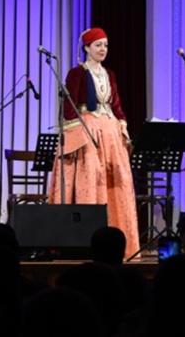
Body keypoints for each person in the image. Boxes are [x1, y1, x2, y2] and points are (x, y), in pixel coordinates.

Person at [48, 27, 140, 258]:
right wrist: (77, 133)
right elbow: (69, 106)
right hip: (87, 129)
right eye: (98, 45)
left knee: (116, 182)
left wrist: (122, 124)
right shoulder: (77, 73)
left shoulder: (110, 74)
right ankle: (86, 241)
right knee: (90, 178)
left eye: (105, 45)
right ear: (87, 47)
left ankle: (118, 242)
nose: (103, 49)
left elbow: (116, 105)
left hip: (109, 132)